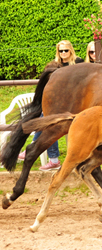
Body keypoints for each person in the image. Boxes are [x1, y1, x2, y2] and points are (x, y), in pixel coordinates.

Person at [18, 40, 84, 171]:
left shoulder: (78, 63)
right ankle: (51, 158)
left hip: (74, 101)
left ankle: (37, 149)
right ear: (57, 52)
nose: (64, 53)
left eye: (66, 50)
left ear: (71, 50)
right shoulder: (56, 65)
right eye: (61, 51)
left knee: (47, 119)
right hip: (60, 101)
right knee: (48, 119)